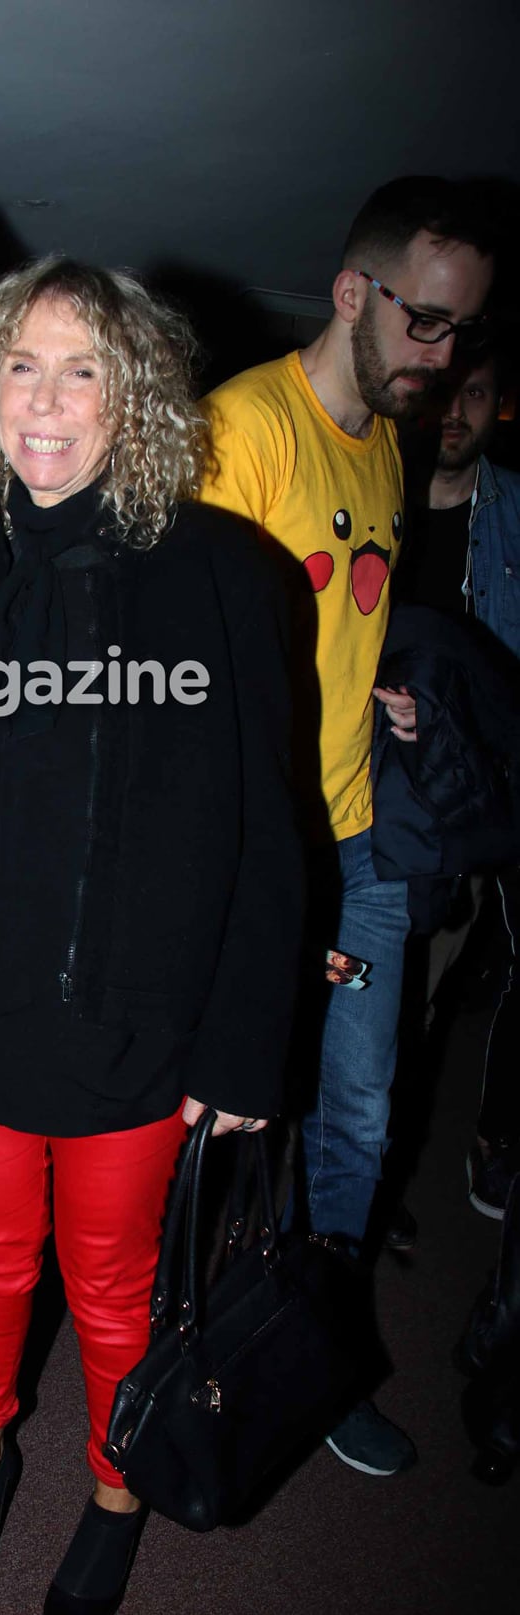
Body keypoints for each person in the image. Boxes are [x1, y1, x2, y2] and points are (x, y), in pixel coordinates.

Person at [0, 259, 304, 1615]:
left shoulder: (226, 578)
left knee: (112, 1280)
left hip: (137, 1024)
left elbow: (273, 827)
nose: (46, 399)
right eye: (19, 364)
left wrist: (244, 1041)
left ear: (134, 397)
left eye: (82, 367)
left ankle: (115, 1491)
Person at [200, 176, 495, 1478]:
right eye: (423, 324)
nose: (438, 359)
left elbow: (341, 610)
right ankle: (181, 1343)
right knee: (220, 1120)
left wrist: (385, 695)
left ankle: (307, 1356)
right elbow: (187, 667)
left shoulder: (383, 443)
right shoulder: (238, 432)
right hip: (253, 855)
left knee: (359, 1116)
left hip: (362, 848)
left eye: (457, 334)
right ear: (349, 293)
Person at [398, 353, 520, 1218]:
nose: (453, 411)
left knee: (422, 999)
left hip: (464, 796)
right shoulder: (372, 491)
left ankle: (373, 1176)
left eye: (472, 394)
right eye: (443, 390)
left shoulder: (511, 514)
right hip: (366, 782)